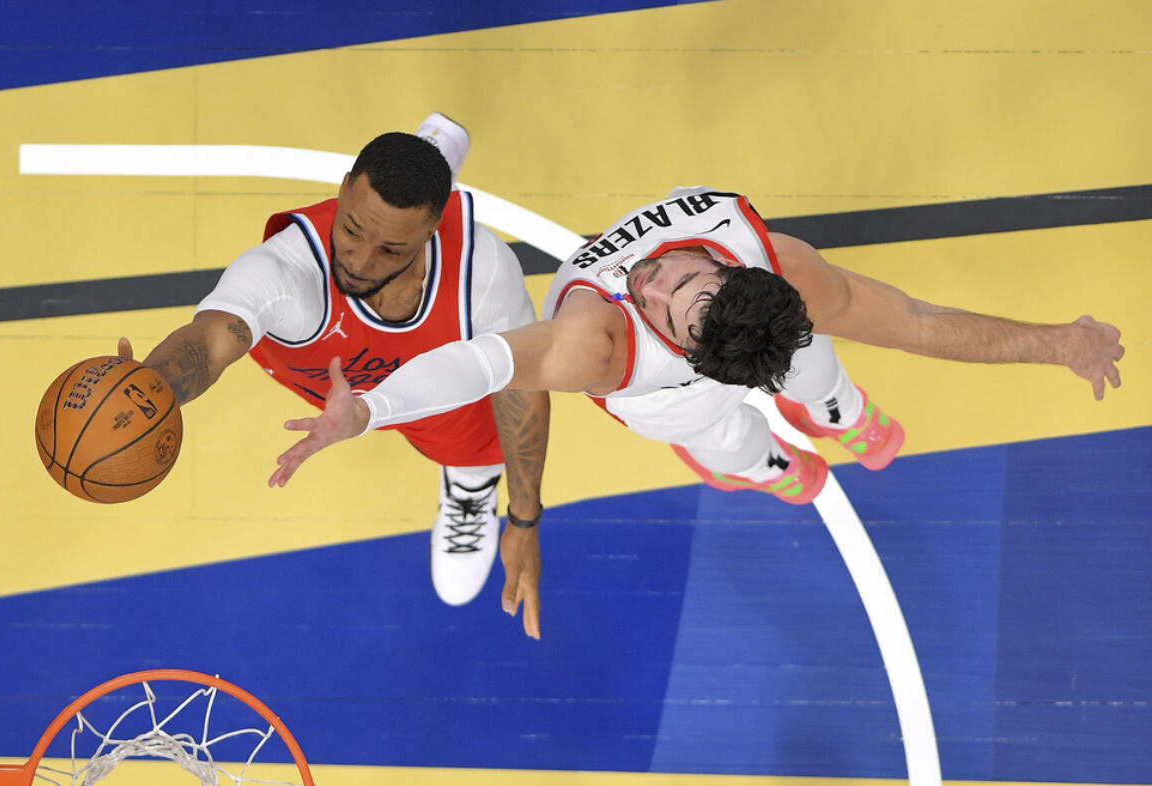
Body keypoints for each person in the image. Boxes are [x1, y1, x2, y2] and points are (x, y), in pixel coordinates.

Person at [266, 183, 1124, 547]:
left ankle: (840, 419)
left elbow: (921, 322)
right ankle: (774, 465)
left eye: (675, 283)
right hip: (667, 399)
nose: (650, 281)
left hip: (736, 359)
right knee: (738, 449)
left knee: (825, 382)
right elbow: (479, 364)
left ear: (741, 274)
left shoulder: (776, 279)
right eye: (666, 292)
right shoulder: (602, 341)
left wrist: (1061, 343)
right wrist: (370, 411)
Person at [119, 114, 549, 639]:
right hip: (324, 371)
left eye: (392, 249)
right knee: (394, 196)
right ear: (342, 189)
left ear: (436, 229)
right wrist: (149, 388)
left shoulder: (484, 277)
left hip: (438, 375)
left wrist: (523, 519)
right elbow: (210, 340)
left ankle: (469, 491)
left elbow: (524, 393)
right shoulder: (284, 270)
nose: (362, 261)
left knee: (475, 438)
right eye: (351, 229)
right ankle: (423, 156)